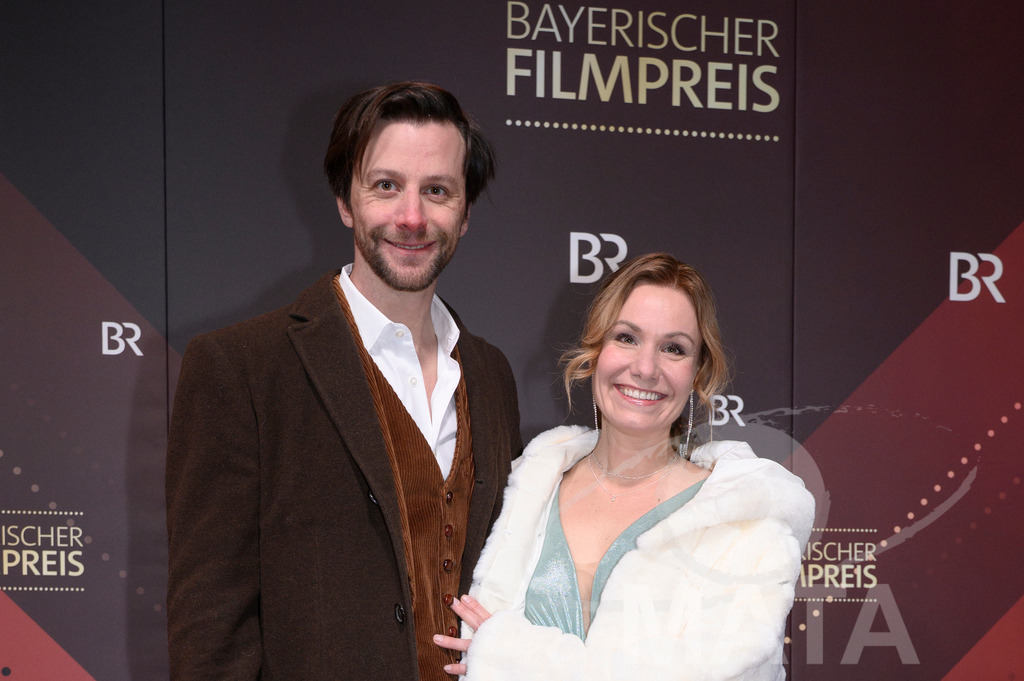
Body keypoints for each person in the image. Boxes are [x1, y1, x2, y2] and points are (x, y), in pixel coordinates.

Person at [165, 81, 522, 681]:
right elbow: (209, 626)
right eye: (386, 186)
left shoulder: (491, 374)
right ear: (345, 202)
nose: (412, 217)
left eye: (437, 191)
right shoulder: (239, 368)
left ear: (464, 216)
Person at [434, 253, 814, 680]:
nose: (645, 368)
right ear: (595, 349)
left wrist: (510, 655)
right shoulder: (528, 487)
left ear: (697, 371)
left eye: (674, 348)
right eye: (627, 338)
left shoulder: (745, 523)